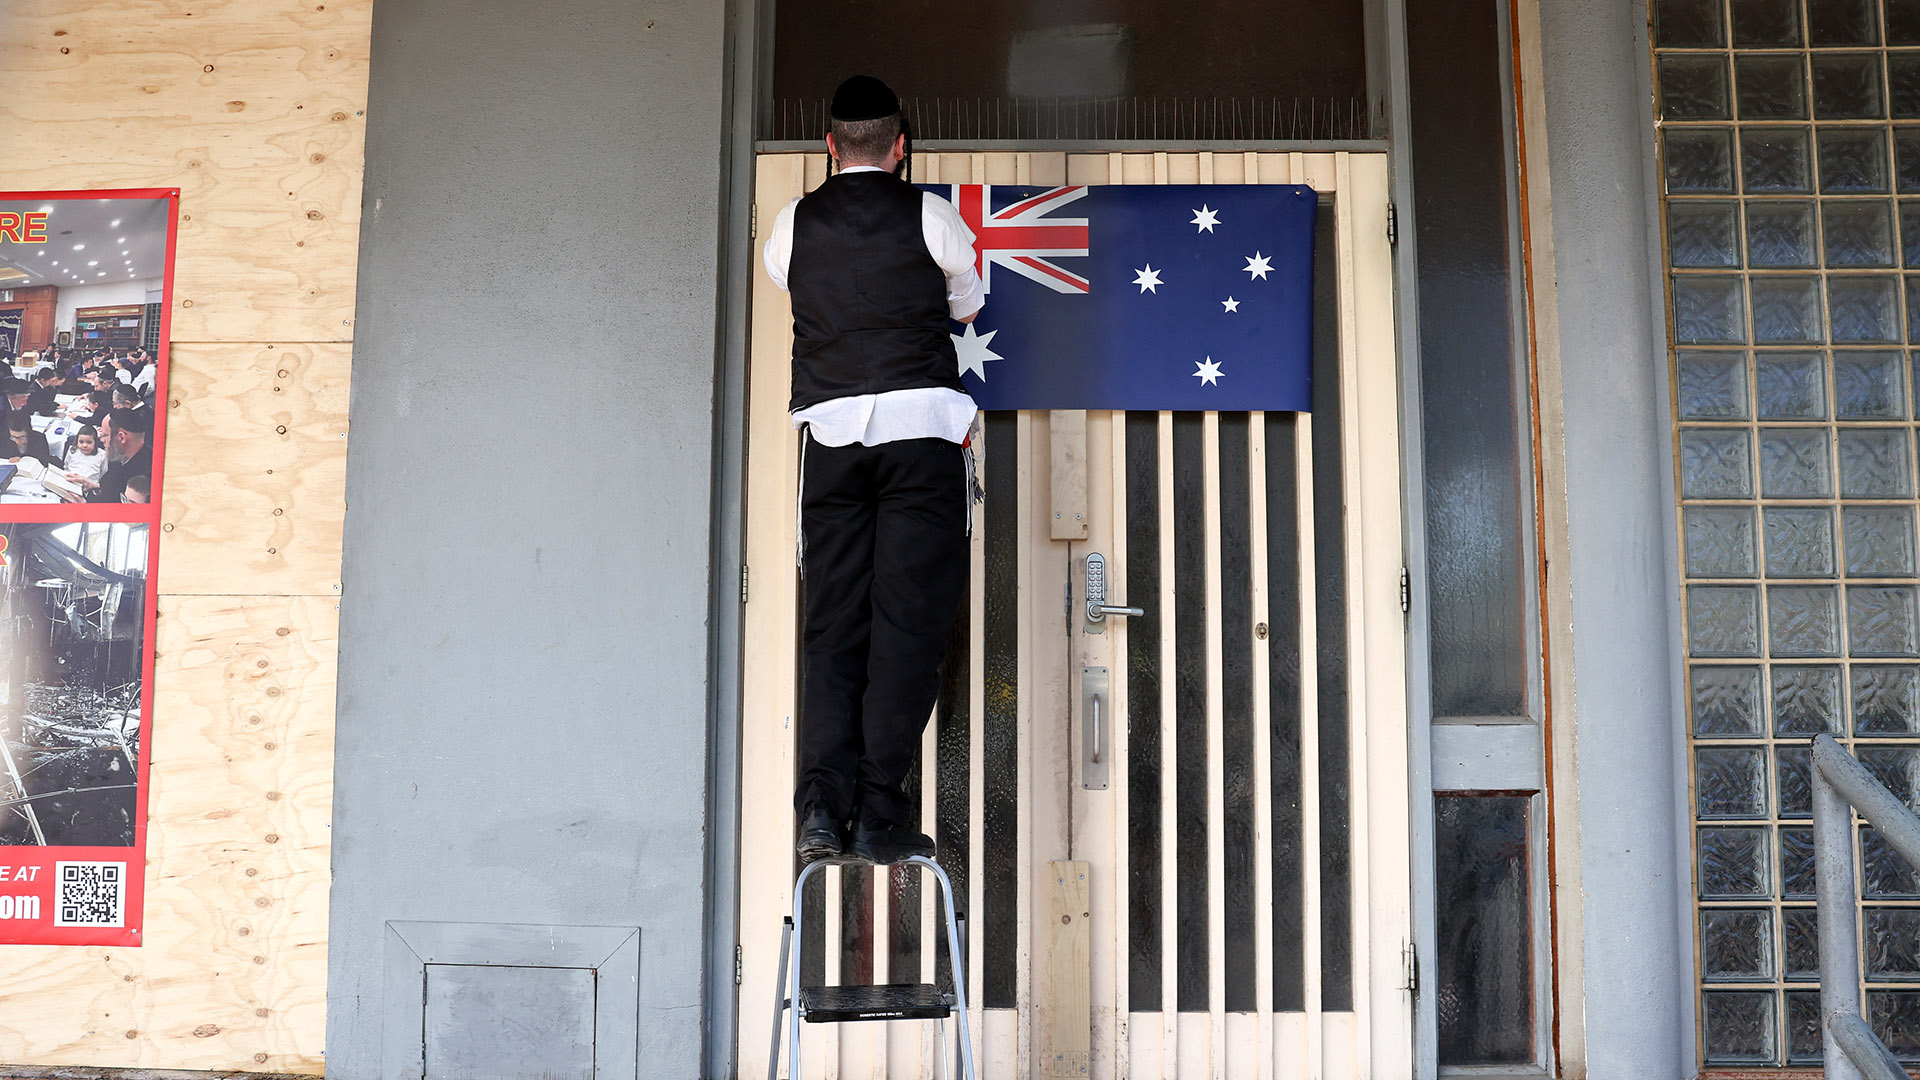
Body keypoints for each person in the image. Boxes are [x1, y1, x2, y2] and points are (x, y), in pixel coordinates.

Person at [762, 75, 985, 864]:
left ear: (829, 146)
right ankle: (878, 812)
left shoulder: (792, 224)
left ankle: (821, 809)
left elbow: (795, 284)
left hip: (832, 442)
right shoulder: (931, 216)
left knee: (833, 626)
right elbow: (966, 303)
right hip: (919, 439)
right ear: (900, 146)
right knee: (906, 626)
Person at [83, 408, 151, 503]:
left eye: (104, 435)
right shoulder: (118, 455)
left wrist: (83, 505)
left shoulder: (146, 478)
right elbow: (111, 491)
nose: (101, 440)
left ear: (121, 437)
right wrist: (95, 486)